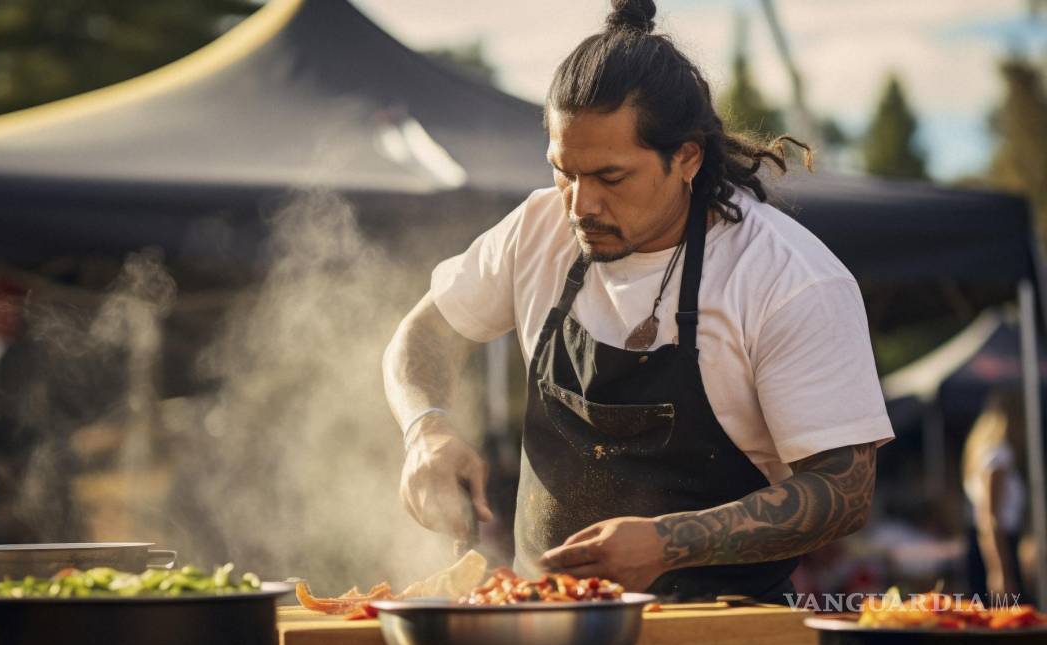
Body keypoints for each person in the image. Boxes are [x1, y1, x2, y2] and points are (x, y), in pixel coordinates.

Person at [382, 0, 893, 602]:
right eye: (563, 172)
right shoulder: (536, 231)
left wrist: (674, 540)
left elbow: (846, 490)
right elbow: (425, 333)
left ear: (687, 158)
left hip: (720, 630)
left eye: (610, 177)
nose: (579, 205)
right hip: (542, 620)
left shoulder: (788, 277)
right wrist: (427, 429)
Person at [962, 388, 1028, 598]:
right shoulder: (999, 454)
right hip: (998, 547)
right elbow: (990, 516)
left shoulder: (985, 451)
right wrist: (999, 570)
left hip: (989, 545)